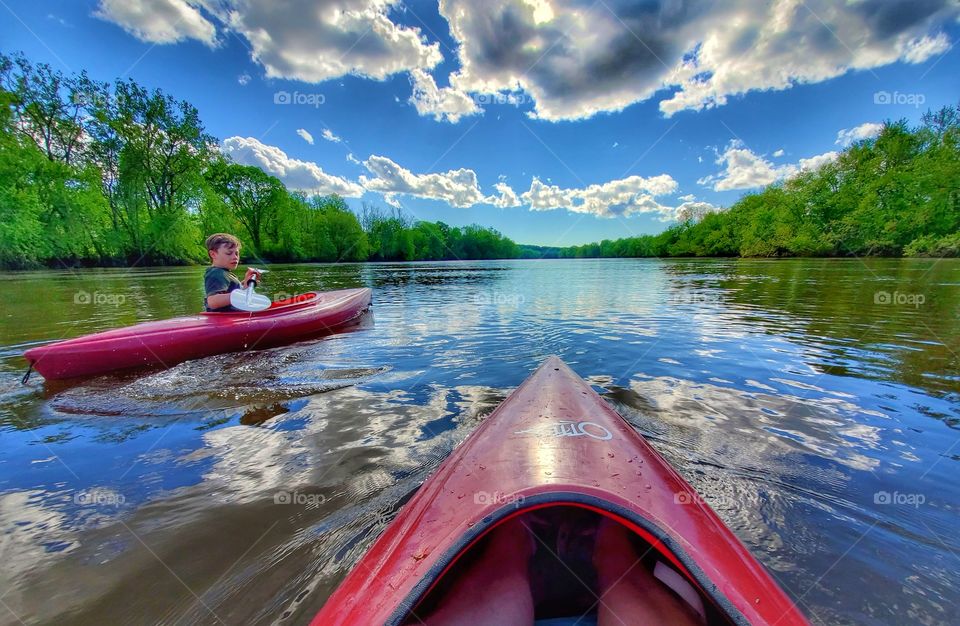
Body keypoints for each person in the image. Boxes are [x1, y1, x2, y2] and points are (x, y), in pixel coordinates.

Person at [203, 233, 262, 312]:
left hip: (232, 317)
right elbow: (213, 302)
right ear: (213, 254)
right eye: (229, 253)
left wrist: (247, 283)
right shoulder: (217, 273)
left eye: (237, 253)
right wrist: (241, 295)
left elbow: (232, 293)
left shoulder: (224, 273)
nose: (235, 257)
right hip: (225, 320)